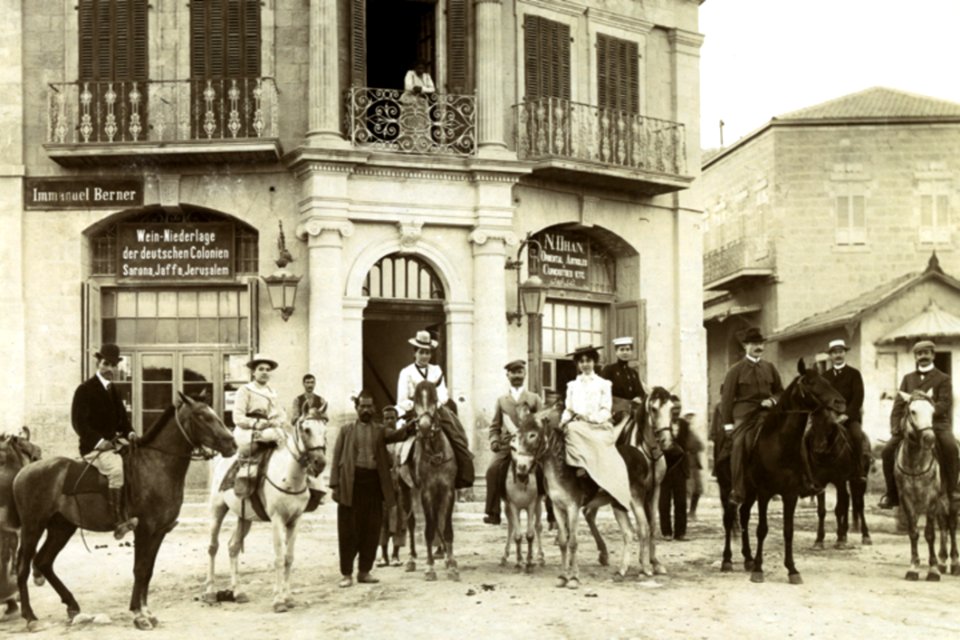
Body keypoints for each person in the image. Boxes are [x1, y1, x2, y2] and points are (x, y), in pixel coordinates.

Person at [330, 391, 410, 587]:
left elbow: (398, 435)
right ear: (356, 408)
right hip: (351, 484)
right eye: (362, 406)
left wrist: (413, 423)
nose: (366, 409)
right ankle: (347, 574)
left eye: (369, 406)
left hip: (373, 484)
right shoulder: (346, 430)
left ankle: (364, 572)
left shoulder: (380, 430)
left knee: (372, 529)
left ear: (373, 408)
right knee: (348, 531)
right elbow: (336, 458)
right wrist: (335, 485)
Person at [71, 343, 138, 540]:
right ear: (98, 363)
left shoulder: (113, 390)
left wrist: (131, 433)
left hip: (115, 445)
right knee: (116, 470)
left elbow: (123, 421)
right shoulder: (85, 389)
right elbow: (79, 423)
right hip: (94, 449)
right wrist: (99, 442)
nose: (109, 369)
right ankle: (118, 521)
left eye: (113, 365)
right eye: (105, 364)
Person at [879, 339, 957, 509]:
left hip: (935, 424)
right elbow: (898, 405)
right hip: (911, 425)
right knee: (887, 451)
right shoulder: (908, 379)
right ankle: (891, 494)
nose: (923, 357)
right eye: (919, 354)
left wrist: (926, 410)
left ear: (933, 355)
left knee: (951, 447)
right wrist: (895, 426)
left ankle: (953, 492)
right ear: (915, 357)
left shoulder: (943, 378)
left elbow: (945, 403)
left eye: (926, 353)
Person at [396, 330, 474, 489]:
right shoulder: (406, 373)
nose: (424, 356)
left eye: (427, 353)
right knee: (400, 442)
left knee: (455, 432)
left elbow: (443, 392)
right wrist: (417, 407)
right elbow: (402, 399)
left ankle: (464, 472)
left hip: (435, 409)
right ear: (414, 353)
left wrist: (434, 406)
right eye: (421, 352)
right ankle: (402, 473)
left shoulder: (436, 370)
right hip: (414, 410)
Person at [560, 345, 632, 510]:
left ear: (594, 362)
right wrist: (563, 420)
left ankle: (590, 470)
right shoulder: (572, 385)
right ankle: (573, 472)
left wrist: (590, 418)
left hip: (598, 424)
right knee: (567, 431)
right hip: (577, 424)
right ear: (578, 364)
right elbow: (569, 408)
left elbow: (606, 409)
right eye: (581, 361)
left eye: (588, 360)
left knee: (576, 430)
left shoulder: (604, 384)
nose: (585, 364)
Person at [720, 328, 786, 506]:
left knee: (787, 436)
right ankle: (738, 489)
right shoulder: (735, 370)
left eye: (761, 344)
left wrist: (772, 401)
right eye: (754, 344)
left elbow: (780, 391)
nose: (758, 347)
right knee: (739, 444)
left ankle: (792, 481)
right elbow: (726, 400)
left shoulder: (769, 367)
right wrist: (728, 425)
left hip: (767, 412)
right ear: (745, 346)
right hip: (744, 414)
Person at [483, 360, 544, 526]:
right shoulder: (502, 400)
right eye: (513, 372)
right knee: (492, 470)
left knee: (546, 469)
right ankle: (493, 511)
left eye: (520, 372)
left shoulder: (534, 398)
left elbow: (542, 424)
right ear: (508, 375)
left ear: (525, 374)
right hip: (508, 444)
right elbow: (495, 426)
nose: (517, 376)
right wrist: (495, 440)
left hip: (530, 445)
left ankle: (552, 511)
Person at [231, 354, 289, 498]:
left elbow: (281, 414)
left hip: (269, 428)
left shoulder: (272, 393)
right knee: (262, 443)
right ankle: (244, 478)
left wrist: (278, 421)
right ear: (253, 372)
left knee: (291, 444)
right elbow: (237, 417)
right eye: (261, 369)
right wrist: (256, 424)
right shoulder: (245, 390)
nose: (265, 372)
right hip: (248, 430)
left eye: (268, 370)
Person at [822, 339, 868, 480]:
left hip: (849, 417)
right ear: (830, 355)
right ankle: (812, 473)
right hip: (829, 417)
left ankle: (859, 470)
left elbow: (858, 398)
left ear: (845, 353)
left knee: (857, 436)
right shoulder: (825, 376)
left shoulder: (854, 374)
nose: (838, 355)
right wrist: (829, 414)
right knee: (811, 436)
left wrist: (846, 415)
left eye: (841, 352)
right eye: (835, 352)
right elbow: (822, 397)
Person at [378, 405, 406, 567]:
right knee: (382, 519)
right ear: (383, 420)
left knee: (399, 519)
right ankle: (383, 555)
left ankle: (395, 554)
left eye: (392, 418)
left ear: (397, 420)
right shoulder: (379, 439)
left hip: (400, 484)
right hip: (383, 485)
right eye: (386, 418)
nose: (389, 421)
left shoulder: (402, 440)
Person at [659, 395, 690, 540]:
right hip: (665, 468)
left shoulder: (684, 424)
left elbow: (688, 445)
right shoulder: (662, 424)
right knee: (664, 502)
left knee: (681, 502)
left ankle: (680, 532)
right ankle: (666, 532)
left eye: (679, 408)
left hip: (680, 468)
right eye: (674, 408)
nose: (676, 411)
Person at [686, 415, 705, 521]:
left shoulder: (692, 433)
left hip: (694, 465)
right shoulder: (683, 433)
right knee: (687, 490)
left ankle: (692, 512)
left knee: (697, 489)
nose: (689, 420)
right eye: (688, 418)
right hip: (687, 465)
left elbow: (701, 446)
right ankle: (687, 512)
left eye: (691, 419)